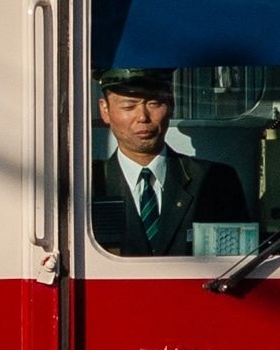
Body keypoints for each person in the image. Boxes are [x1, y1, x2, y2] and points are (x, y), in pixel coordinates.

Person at [90, 67, 249, 257]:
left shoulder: (215, 181)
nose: (142, 117)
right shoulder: (91, 184)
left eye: (154, 103)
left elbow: (233, 263)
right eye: (128, 106)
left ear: (171, 104)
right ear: (105, 110)